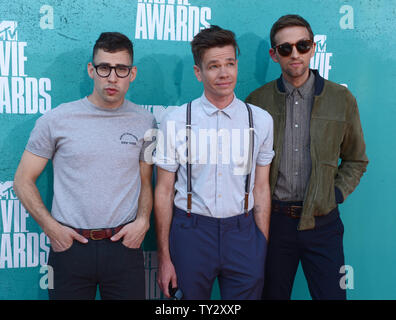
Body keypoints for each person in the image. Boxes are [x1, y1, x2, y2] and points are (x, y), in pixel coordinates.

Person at [13, 32, 157, 300]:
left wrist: (142, 222)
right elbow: (22, 180)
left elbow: (145, 179)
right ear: (91, 70)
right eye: (104, 68)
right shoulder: (55, 120)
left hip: (124, 247)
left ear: (132, 73)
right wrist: (51, 228)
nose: (112, 77)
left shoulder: (146, 122)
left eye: (121, 69)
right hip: (70, 248)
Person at [245, 14, 368, 300]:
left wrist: (334, 194)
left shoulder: (342, 99)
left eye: (302, 45)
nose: (295, 54)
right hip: (274, 223)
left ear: (313, 48)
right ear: (274, 55)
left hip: (323, 223)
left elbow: (356, 159)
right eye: (285, 48)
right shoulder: (256, 102)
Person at [154, 25, 274, 300]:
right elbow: (163, 190)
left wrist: (261, 245)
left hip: (244, 234)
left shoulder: (261, 120)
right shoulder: (175, 121)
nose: (224, 73)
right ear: (198, 72)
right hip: (191, 232)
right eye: (214, 66)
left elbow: (262, 188)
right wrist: (164, 257)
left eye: (230, 64)